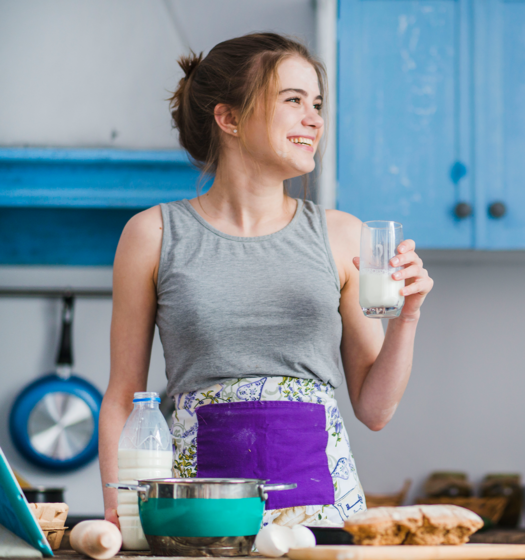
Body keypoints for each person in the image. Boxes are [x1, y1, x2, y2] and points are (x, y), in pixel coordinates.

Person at [99, 32, 433, 528]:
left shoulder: (344, 236)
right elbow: (124, 396)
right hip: (197, 514)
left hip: (323, 518)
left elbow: (375, 409)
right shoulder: (153, 235)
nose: (315, 119)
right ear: (229, 118)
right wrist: (120, 515)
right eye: (293, 100)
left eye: (317, 103)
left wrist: (408, 315)